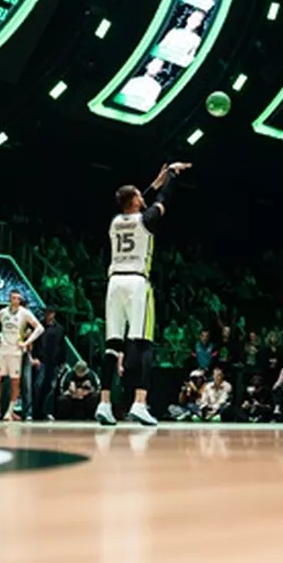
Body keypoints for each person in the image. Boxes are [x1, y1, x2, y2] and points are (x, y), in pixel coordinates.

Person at [97, 161, 192, 426]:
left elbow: (137, 204)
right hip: (137, 283)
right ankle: (139, 402)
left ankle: (104, 402)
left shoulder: (116, 221)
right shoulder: (146, 221)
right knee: (143, 343)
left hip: (114, 283)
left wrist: (153, 183)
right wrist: (171, 175)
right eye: (140, 195)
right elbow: (163, 200)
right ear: (135, 201)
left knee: (112, 345)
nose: (143, 197)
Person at [0, 291, 43, 421]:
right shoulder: (2, 312)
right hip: (2, 350)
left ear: (20, 300)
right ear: (9, 299)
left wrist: (26, 342)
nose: (15, 300)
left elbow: (39, 328)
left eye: (17, 298)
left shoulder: (25, 313)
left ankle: (9, 412)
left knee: (15, 381)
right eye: (13, 298)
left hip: (16, 352)